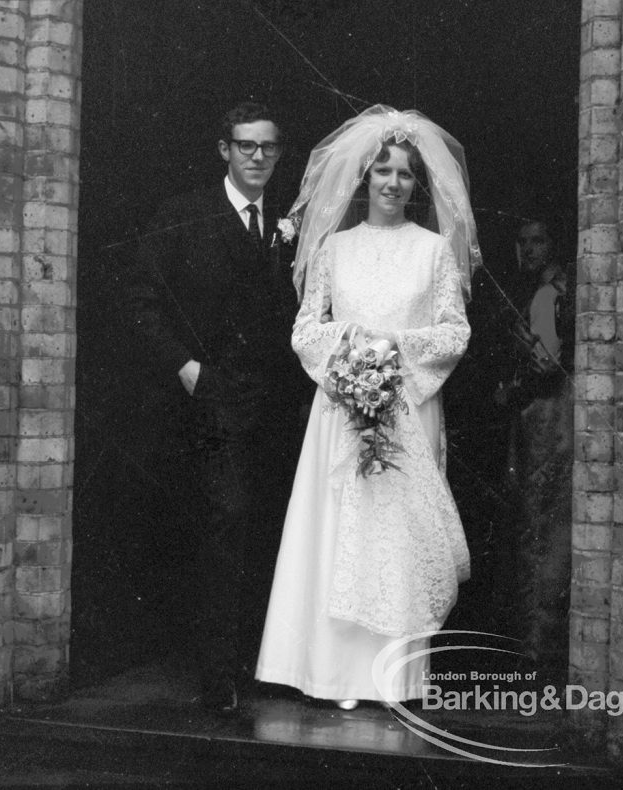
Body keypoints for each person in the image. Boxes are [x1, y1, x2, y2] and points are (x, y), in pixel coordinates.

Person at [255, 106, 481, 707]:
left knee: (397, 540)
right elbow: (305, 331)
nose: (392, 183)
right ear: (364, 178)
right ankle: (336, 677)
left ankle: (393, 679)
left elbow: (454, 332)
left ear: (417, 184)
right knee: (339, 538)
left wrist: (393, 350)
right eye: (382, 170)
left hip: (406, 405)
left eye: (405, 174)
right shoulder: (334, 249)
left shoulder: (434, 251)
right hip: (342, 410)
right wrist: (350, 353)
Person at [126, 102, 308, 714]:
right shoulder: (182, 216)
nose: (258, 157)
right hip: (207, 400)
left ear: (280, 153)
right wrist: (189, 371)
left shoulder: (290, 224)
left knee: (269, 529)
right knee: (222, 527)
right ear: (223, 150)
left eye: (269, 147)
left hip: (276, 401)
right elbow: (142, 303)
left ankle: (261, 664)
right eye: (246, 146)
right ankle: (218, 675)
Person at [496, 219, 574, 679]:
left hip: (548, 420)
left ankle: (537, 646)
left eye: (539, 239)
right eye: (522, 241)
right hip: (550, 418)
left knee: (541, 523)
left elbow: (545, 365)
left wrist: (514, 386)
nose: (529, 249)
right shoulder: (549, 288)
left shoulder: (548, 294)